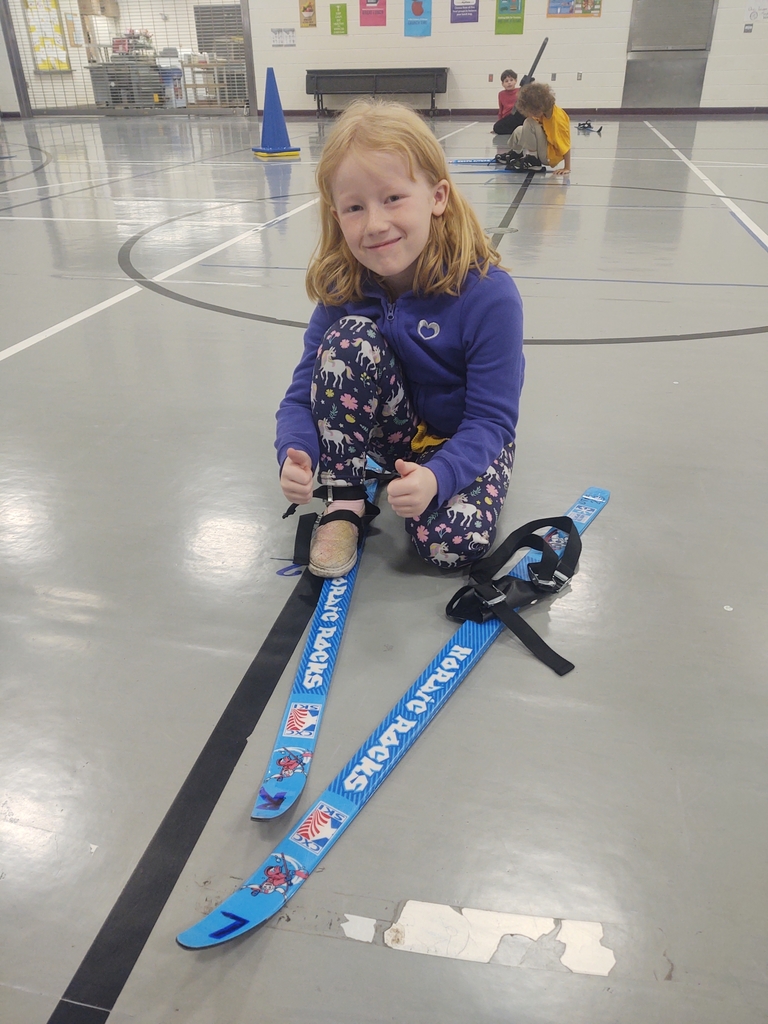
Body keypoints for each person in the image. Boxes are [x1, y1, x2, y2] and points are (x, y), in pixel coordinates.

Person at [276, 100, 524, 577]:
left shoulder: (490, 295)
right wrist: (295, 451)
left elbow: (492, 419)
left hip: (463, 436)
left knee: (452, 544)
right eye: (354, 207)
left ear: (437, 197)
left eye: (392, 198)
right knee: (349, 340)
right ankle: (345, 499)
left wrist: (438, 476)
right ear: (336, 215)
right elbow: (298, 398)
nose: (374, 224)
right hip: (393, 436)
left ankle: (435, 480)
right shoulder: (341, 288)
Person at [500, 82, 571, 175]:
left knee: (529, 122)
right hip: (545, 146)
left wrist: (567, 167)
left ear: (538, 108)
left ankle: (533, 160)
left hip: (548, 156)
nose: (530, 114)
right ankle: (515, 153)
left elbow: (566, 146)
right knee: (519, 130)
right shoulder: (545, 111)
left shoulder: (557, 120)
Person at [492, 69, 522, 136]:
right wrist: (500, 121)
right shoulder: (501, 94)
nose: (509, 83)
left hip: (517, 115)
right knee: (496, 127)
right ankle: (516, 130)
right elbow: (501, 109)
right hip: (507, 118)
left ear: (516, 81)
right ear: (502, 84)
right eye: (506, 81)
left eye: (511, 80)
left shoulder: (520, 91)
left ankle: (518, 129)